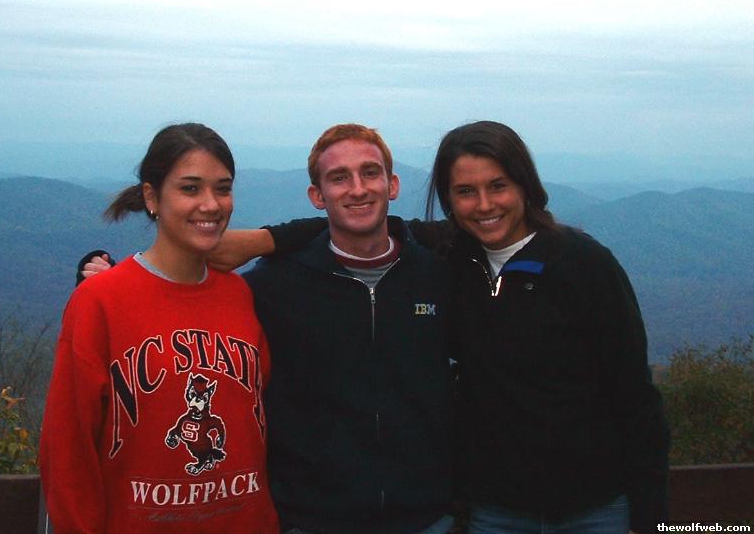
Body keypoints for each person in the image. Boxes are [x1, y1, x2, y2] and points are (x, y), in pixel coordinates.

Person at [202, 121, 670, 534]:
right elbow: (353, 224)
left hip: (580, 507)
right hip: (469, 511)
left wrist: (649, 517)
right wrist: (272, 239)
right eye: (466, 192)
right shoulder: (446, 260)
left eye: (498, 186)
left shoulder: (563, 264)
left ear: (393, 185)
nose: (484, 205)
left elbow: (635, 396)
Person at [77, 124, 457, 534]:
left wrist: (268, 237)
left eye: (370, 173)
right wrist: (117, 283)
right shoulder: (276, 286)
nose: (358, 188)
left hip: (427, 518)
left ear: (392, 184)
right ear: (317, 196)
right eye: (339, 178)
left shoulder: (438, 275)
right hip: (313, 520)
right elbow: (187, 304)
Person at [39, 123, 279, 533]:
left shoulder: (239, 295)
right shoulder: (99, 303)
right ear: (152, 197)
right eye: (190, 188)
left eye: (222, 189)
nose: (211, 204)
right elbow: (67, 447)